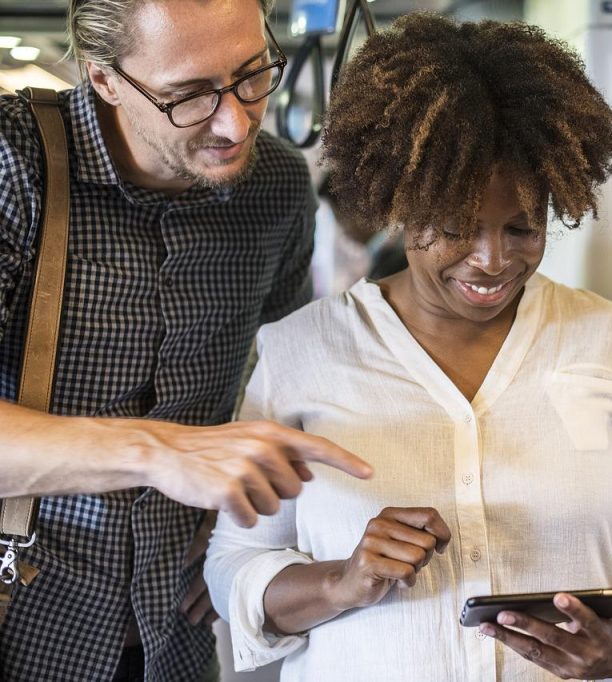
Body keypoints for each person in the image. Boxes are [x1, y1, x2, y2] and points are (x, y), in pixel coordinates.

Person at [205, 13, 612, 681]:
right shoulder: (303, 350)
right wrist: (342, 581)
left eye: (522, 228)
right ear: (399, 200)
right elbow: (235, 566)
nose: (492, 260)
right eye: (455, 227)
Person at [0, 1, 371, 680]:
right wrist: (159, 451)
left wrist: (238, 536)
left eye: (253, 74)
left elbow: (275, 382)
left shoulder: (278, 190)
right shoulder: (15, 164)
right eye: (188, 96)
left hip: (172, 636)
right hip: (24, 621)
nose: (235, 121)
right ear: (104, 78)